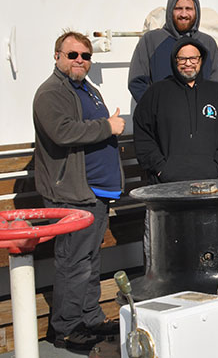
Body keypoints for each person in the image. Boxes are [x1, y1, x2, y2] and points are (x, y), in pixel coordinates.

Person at [33, 31, 125, 350]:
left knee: (89, 257)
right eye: (73, 55)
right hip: (71, 192)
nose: (80, 61)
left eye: (86, 56)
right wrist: (108, 127)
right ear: (57, 56)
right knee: (73, 260)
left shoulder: (89, 89)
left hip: (95, 191)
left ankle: (90, 316)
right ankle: (66, 327)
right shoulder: (50, 93)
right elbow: (63, 132)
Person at [133, 37, 218, 183]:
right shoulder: (157, 92)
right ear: (174, 60)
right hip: (167, 184)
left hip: (211, 182)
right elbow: (143, 133)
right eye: (182, 59)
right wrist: (160, 168)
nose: (188, 63)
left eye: (193, 58)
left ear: (201, 60)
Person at [128, 0, 218, 102]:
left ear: (196, 11)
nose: (183, 14)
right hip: (162, 116)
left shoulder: (208, 43)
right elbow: (137, 82)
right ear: (170, 11)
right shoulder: (151, 40)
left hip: (200, 115)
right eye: (178, 9)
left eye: (188, 9)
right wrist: (155, 108)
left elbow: (217, 81)